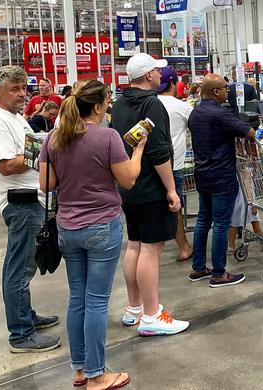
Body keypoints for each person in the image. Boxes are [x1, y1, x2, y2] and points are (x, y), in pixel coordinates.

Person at [39, 79, 143, 390]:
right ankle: (98, 376)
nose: (109, 106)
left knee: (77, 299)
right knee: (96, 301)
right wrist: (138, 151)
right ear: (97, 107)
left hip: (67, 228)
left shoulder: (53, 138)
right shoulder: (108, 137)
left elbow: (46, 185)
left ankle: (80, 370)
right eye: (107, 101)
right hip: (101, 227)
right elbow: (128, 180)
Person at [0, 65, 60, 353]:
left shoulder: (15, 118)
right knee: (20, 268)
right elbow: (6, 165)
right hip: (20, 202)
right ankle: (21, 334)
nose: (22, 93)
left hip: (31, 199)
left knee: (23, 264)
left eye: (24, 88)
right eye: (14, 89)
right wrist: (42, 153)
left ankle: (26, 316)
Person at [111, 53, 189, 336]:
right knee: (151, 249)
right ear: (148, 75)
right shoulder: (152, 104)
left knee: (134, 245)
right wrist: (171, 189)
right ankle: (152, 315)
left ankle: (135, 308)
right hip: (151, 186)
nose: (159, 74)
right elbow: (158, 151)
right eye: (157, 70)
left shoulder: (119, 103)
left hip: (128, 185)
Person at [188, 73, 255, 287]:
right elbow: (249, 132)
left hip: (202, 174)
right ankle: (219, 273)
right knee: (221, 224)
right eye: (226, 88)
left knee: (203, 220)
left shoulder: (195, 112)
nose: (229, 91)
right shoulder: (221, 113)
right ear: (216, 92)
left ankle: (198, 268)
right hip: (222, 176)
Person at [156, 66, 194, 262]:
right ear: (173, 84)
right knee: (176, 206)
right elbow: (196, 128)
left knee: (156, 206)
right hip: (174, 164)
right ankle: (184, 247)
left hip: (153, 163)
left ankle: (154, 248)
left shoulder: (150, 104)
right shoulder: (182, 106)